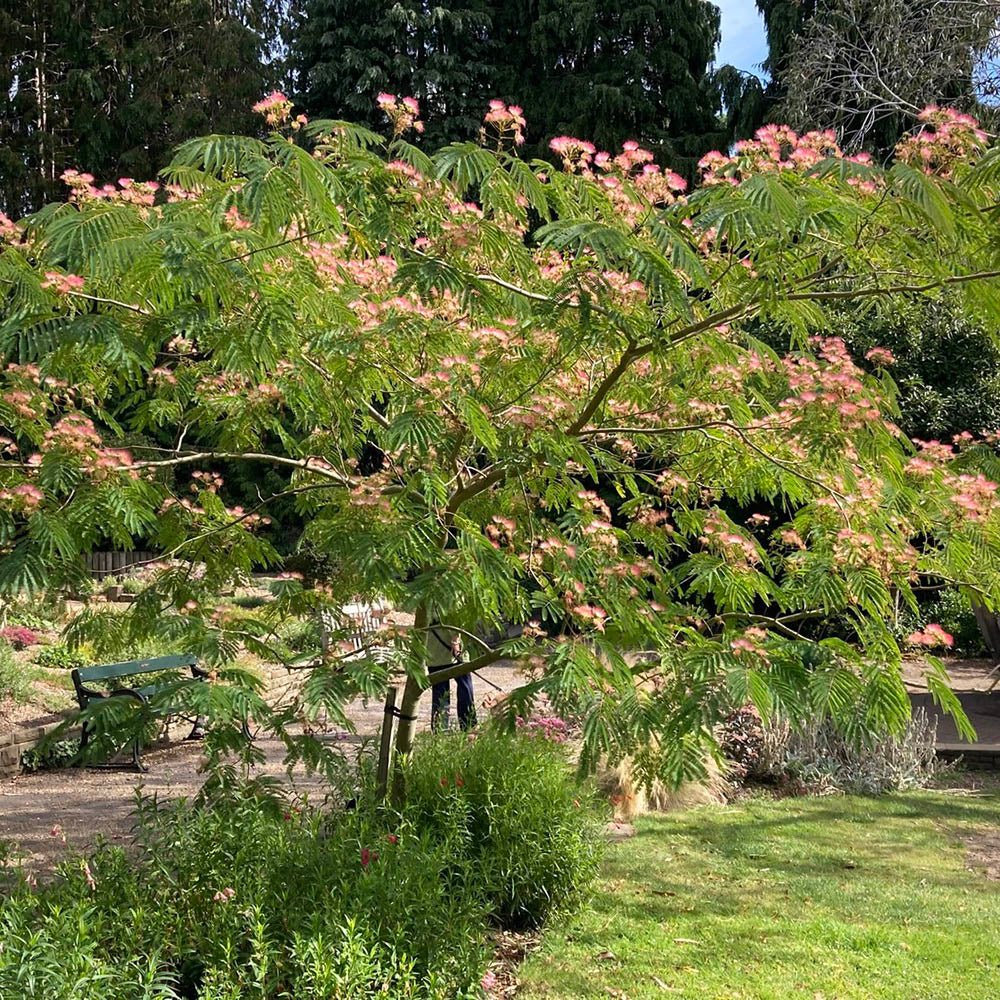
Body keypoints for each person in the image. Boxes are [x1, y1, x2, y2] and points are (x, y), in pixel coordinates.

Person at [427, 622, 476, 731]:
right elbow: (458, 617)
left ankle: (441, 729)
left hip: (439, 654)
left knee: (462, 690)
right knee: (462, 689)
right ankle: (466, 726)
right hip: (444, 653)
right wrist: (455, 641)